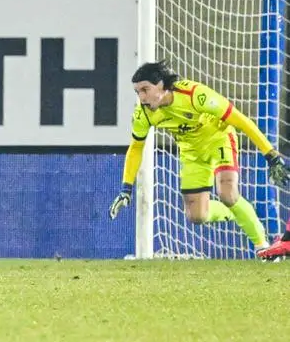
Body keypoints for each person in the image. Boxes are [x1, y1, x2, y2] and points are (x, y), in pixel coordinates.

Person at [109, 61, 289, 256]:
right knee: (197, 216)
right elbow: (136, 148)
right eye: (137, 92)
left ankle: (262, 246)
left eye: (145, 89)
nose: (142, 97)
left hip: (219, 140)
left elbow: (241, 120)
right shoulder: (143, 114)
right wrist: (126, 187)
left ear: (161, 84)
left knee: (227, 193)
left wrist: (271, 155)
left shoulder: (195, 95)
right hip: (191, 153)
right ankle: (235, 212)